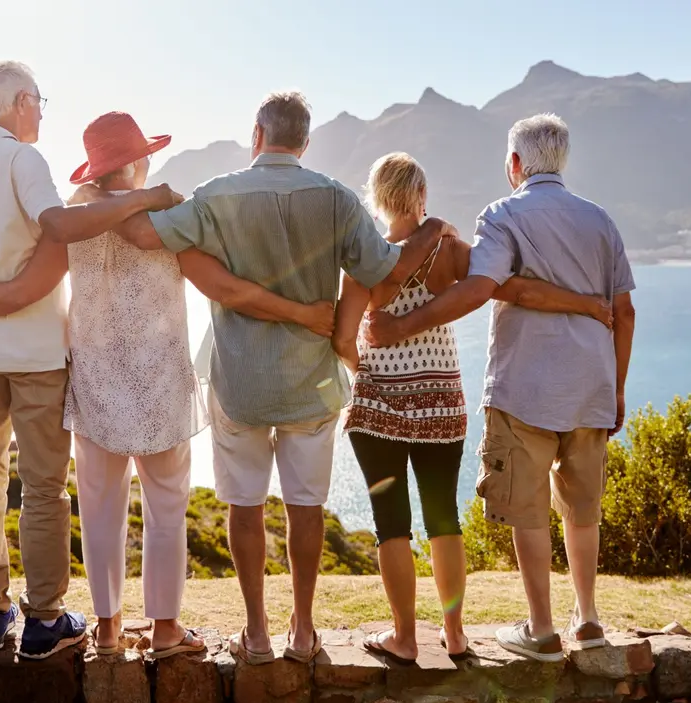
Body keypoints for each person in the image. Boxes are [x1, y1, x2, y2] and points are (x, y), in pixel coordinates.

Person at [73, 91, 457, 664]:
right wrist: (428, 232)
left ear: (257, 135)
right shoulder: (337, 198)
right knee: (305, 509)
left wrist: (115, 193)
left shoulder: (216, 196)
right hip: (312, 382)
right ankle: (302, 632)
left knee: (244, 507)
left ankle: (255, 633)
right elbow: (384, 279)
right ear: (304, 141)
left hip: (239, 383)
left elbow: (146, 236)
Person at [0, 112, 335, 657]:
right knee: (167, 509)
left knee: (100, 509)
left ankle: (106, 628)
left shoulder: (73, 217)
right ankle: (167, 631)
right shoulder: (168, 215)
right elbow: (216, 281)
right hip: (161, 387)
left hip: (96, 385)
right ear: (141, 159)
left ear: (97, 167)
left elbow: (39, 281)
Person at [0, 61, 182, 660]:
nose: (41, 110)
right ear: (19, 101)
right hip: (35, 351)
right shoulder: (22, 160)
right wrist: (148, 196)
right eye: (39, 100)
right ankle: (44, 619)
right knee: (42, 487)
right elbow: (61, 226)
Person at [363, 114, 637, 662]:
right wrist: (618, 387)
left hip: (523, 389)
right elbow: (624, 311)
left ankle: (541, 629)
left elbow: (482, 289)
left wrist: (397, 328)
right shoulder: (600, 220)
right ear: (560, 160)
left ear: (515, 164)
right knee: (583, 510)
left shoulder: (503, 215)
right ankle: (588, 620)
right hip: (591, 388)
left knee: (528, 508)